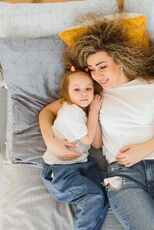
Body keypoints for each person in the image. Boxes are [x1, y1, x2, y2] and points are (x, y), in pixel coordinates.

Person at [39, 15, 154, 230]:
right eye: (91, 69)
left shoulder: (151, 87)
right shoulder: (91, 94)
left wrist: (143, 149)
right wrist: (49, 140)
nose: (97, 75)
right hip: (124, 175)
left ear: (119, 61)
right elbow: (47, 112)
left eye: (102, 66)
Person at [40, 69, 108, 230]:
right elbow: (88, 139)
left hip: (80, 166)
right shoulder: (69, 112)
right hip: (60, 171)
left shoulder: (82, 113)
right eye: (76, 89)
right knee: (93, 196)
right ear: (67, 93)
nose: (83, 94)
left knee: (101, 197)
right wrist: (94, 111)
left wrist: (93, 113)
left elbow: (97, 144)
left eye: (88, 89)